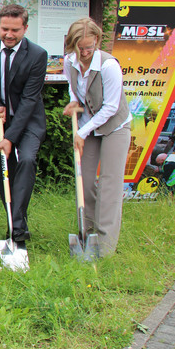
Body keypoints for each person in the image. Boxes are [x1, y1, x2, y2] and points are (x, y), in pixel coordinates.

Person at [0, 4, 48, 247]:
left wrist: (11, 138)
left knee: (26, 160)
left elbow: (29, 100)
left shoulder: (37, 55)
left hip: (28, 120)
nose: (9, 34)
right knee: (5, 172)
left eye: (15, 30)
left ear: (25, 28)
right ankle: (15, 223)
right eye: (5, 28)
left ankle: (18, 227)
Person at [62, 18, 131, 256]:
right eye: (79, 48)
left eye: (89, 47)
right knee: (86, 180)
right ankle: (87, 234)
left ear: (98, 42)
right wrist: (73, 101)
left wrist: (81, 132)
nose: (84, 53)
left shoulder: (109, 66)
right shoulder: (70, 61)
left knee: (109, 184)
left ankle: (106, 245)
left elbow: (111, 107)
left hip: (114, 126)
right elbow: (73, 87)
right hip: (88, 125)